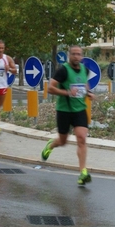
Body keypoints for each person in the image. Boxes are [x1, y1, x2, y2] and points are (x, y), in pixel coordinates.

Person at [40, 45, 95, 186]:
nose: (76, 56)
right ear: (69, 55)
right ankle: (50, 146)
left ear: (82, 56)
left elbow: (84, 84)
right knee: (63, 141)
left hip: (80, 110)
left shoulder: (85, 70)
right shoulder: (63, 70)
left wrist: (88, 93)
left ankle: (83, 172)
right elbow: (50, 88)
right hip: (64, 110)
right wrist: (68, 93)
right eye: (74, 54)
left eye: (79, 54)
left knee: (82, 138)